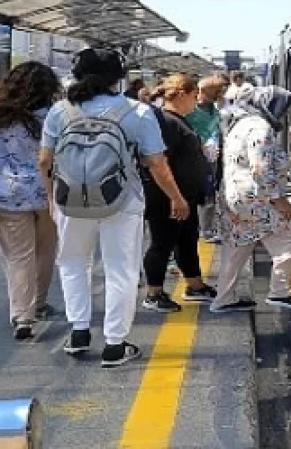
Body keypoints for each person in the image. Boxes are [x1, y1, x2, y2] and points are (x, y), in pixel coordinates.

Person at [38, 48, 190, 367]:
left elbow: (44, 160)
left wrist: (53, 201)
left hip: (71, 202)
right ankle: (114, 344)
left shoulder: (59, 111)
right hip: (121, 201)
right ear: (118, 78)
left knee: (72, 264)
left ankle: (79, 332)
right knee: (120, 270)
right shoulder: (136, 111)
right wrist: (176, 198)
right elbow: (156, 164)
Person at [0, 61, 63, 340]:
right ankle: (40, 303)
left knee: (18, 256)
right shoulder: (55, 116)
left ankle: (23, 317)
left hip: (8, 195)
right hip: (48, 194)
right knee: (45, 251)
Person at [210, 84, 291, 313]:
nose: (284, 113)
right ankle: (280, 292)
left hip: (234, 196)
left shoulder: (241, 122)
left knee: (237, 246)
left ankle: (223, 299)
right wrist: (279, 200)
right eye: (282, 107)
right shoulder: (260, 128)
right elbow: (260, 169)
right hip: (255, 198)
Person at [141, 74, 218, 311]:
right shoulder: (167, 122)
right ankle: (153, 293)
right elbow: (159, 162)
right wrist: (175, 197)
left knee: (186, 240)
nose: (196, 103)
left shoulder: (176, 120)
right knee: (162, 242)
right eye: (194, 97)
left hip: (183, 196)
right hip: (168, 197)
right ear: (182, 95)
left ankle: (194, 285)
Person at [186, 75, 228, 244]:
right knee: (204, 193)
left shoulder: (215, 110)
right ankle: (205, 230)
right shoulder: (192, 110)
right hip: (196, 157)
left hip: (212, 156)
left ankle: (206, 228)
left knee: (209, 193)